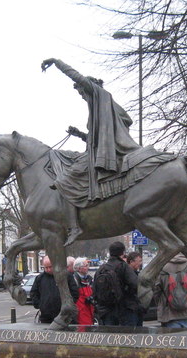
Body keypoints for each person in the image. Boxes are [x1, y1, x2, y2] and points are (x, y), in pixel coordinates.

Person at [41, 58, 140, 245]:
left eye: (82, 92)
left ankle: (74, 226)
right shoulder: (108, 108)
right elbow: (100, 140)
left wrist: (56, 62)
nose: (82, 96)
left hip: (104, 155)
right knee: (63, 156)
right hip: (100, 151)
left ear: (89, 88)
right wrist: (79, 134)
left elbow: (76, 76)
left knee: (63, 180)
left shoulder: (99, 95)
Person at [94, 241, 139, 326]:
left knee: (109, 336)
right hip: (123, 309)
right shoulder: (123, 266)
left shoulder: (101, 268)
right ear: (122, 253)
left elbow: (95, 289)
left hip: (105, 310)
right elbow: (135, 284)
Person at [153, 253, 187, 328]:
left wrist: (160, 304)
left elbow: (156, 290)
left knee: (172, 338)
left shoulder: (162, 267)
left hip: (169, 313)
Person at [31, 256, 79, 324]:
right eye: (46, 267)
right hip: (46, 316)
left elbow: (75, 292)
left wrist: (69, 305)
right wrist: (40, 305)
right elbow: (34, 293)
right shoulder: (40, 278)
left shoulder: (66, 276)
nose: (48, 270)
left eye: (50, 267)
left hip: (64, 315)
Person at [73, 257, 95, 325]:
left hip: (89, 310)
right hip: (80, 311)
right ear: (79, 268)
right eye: (86, 266)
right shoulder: (74, 280)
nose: (88, 267)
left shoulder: (89, 279)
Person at [127, 252, 144, 326]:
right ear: (131, 262)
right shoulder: (127, 275)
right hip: (131, 310)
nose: (141, 263)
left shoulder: (135, 274)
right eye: (139, 261)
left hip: (136, 309)